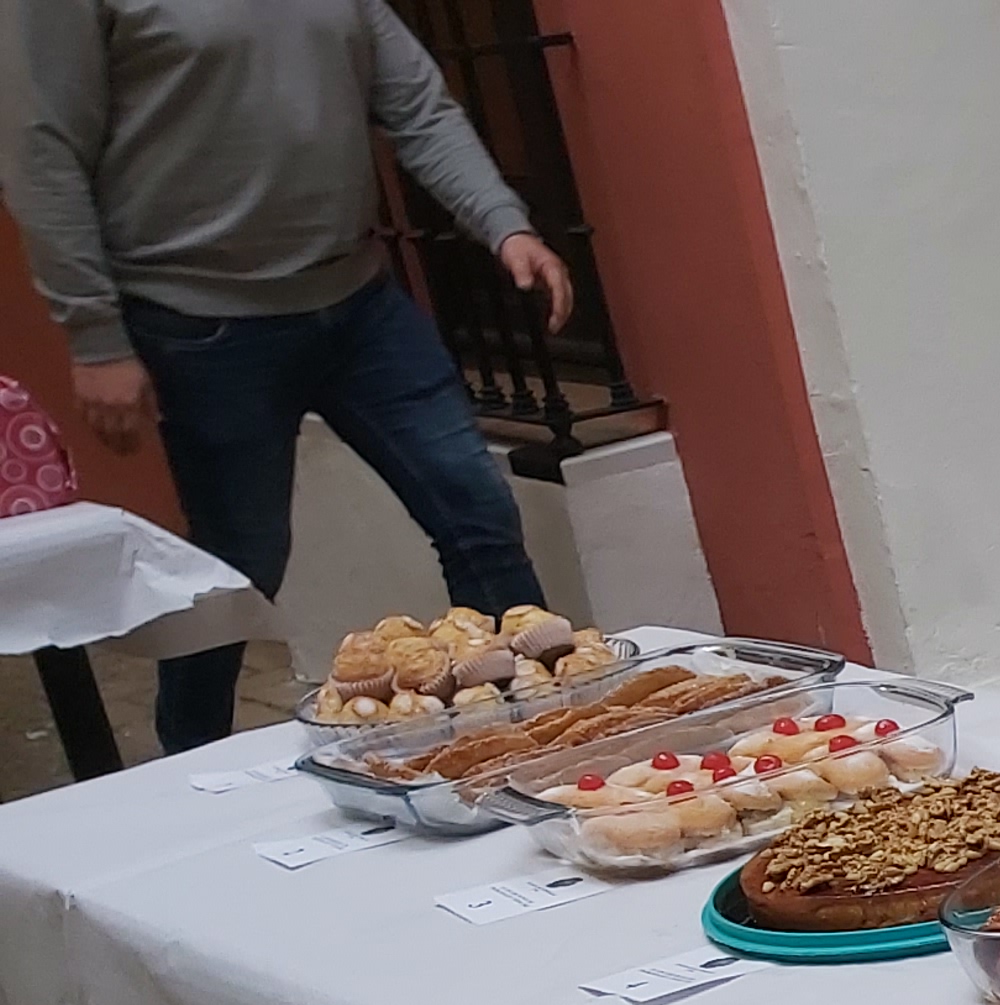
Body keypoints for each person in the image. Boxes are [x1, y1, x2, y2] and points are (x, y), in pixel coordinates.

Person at [7, 0, 575, 752]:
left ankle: (545, 726)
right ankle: (192, 763)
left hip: (361, 302)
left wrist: (504, 224)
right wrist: (95, 337)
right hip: (203, 323)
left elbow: (415, 103)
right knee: (239, 568)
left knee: (478, 514)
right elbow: (40, 150)